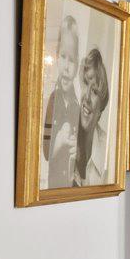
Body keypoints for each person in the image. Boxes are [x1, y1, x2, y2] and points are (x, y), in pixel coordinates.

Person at [44, 14, 81, 186]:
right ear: (57, 57)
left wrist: (76, 151)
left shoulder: (77, 106)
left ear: (77, 65)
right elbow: (45, 153)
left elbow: (79, 153)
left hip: (70, 186)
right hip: (52, 189)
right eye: (63, 56)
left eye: (72, 60)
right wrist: (58, 143)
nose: (66, 66)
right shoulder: (52, 100)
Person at [73, 47, 111, 186]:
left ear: (101, 110)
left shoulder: (108, 151)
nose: (87, 96)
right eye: (85, 84)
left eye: (94, 91)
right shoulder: (63, 134)